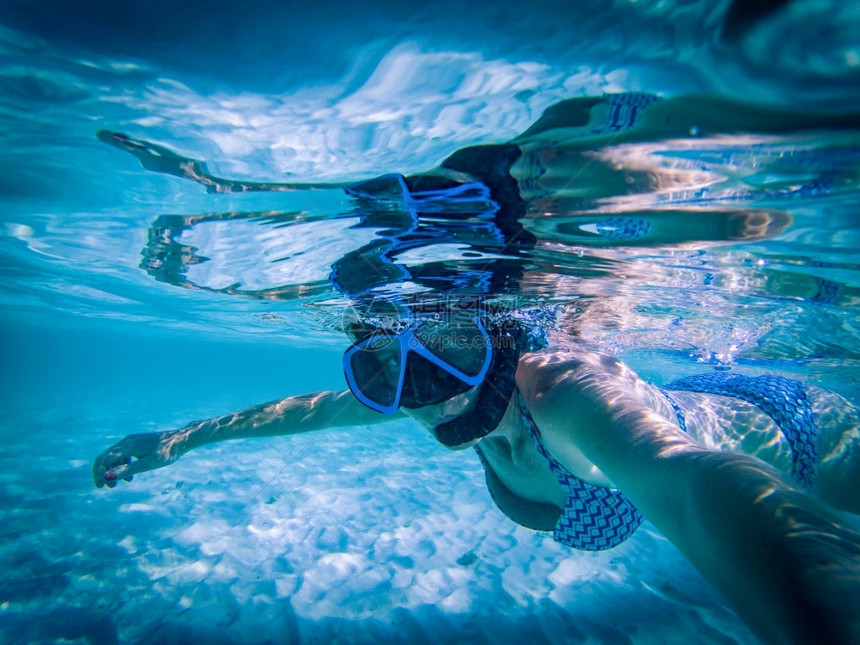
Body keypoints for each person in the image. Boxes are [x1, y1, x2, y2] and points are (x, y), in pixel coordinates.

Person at [94, 93, 860, 644]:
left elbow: (690, 484)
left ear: (504, 339)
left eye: (453, 348)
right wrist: (176, 440)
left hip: (804, 438)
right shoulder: (425, 386)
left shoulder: (562, 394)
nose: (421, 392)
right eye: (386, 367)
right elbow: (310, 410)